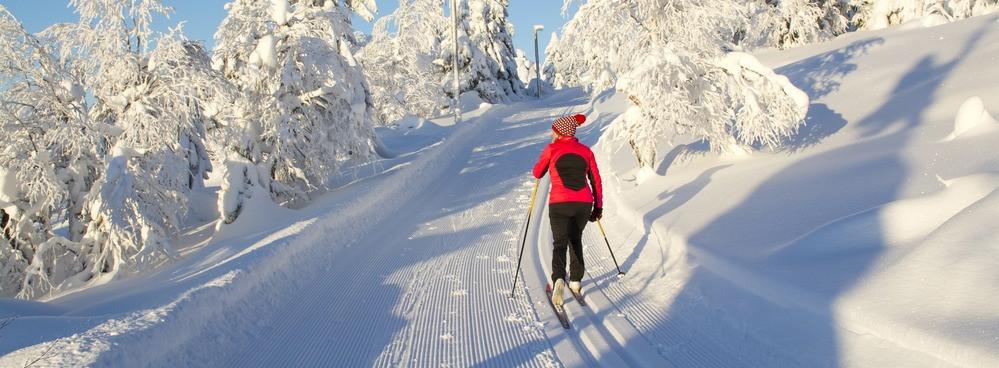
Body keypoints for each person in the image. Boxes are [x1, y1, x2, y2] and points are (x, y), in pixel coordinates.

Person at [532, 113, 603, 307]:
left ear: (559, 132)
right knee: (576, 239)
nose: (551, 133)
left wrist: (547, 160)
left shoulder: (552, 149)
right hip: (583, 203)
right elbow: (595, 180)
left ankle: (558, 281)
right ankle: (576, 281)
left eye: (553, 130)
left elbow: (537, 172)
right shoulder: (586, 151)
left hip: (559, 203)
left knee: (560, 242)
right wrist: (598, 206)